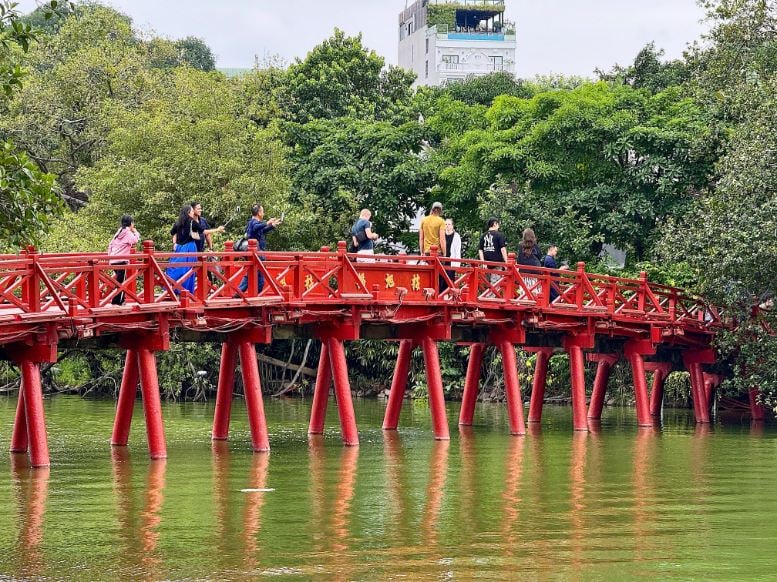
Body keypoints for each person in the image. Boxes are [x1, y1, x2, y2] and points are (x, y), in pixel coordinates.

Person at [238, 204, 282, 294]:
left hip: (258, 252)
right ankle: (253, 293)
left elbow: (262, 230)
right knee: (260, 274)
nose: (264, 213)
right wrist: (267, 222)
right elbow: (256, 227)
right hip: (256, 253)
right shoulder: (253, 222)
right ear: (259, 213)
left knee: (253, 273)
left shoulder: (256, 222)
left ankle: (240, 292)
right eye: (262, 211)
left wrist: (272, 225)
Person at [165, 204, 201, 295]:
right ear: (189, 212)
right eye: (192, 211)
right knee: (188, 270)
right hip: (190, 247)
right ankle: (185, 292)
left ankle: (174, 287)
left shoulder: (178, 222)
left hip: (180, 247)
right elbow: (203, 231)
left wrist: (175, 243)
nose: (193, 213)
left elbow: (172, 232)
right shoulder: (192, 222)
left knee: (176, 267)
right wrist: (218, 229)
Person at [107, 214, 140, 305]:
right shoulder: (128, 233)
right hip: (121, 261)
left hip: (113, 259)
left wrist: (109, 256)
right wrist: (136, 232)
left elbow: (110, 244)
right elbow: (135, 240)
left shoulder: (119, 231)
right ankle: (118, 302)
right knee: (121, 282)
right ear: (131, 223)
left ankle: (118, 300)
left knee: (119, 281)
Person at [478, 217, 507, 287]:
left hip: (487, 264)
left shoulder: (483, 236)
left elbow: (480, 250)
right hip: (497, 263)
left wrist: (483, 261)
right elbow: (503, 249)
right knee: (495, 285)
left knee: (488, 285)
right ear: (494, 224)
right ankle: (489, 297)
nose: (499, 226)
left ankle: (486, 297)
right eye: (498, 224)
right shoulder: (499, 235)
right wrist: (506, 262)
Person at [441, 218, 462, 291]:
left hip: (451, 261)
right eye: (446, 224)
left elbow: (457, 250)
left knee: (449, 281)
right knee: (440, 281)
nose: (447, 226)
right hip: (442, 261)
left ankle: (447, 299)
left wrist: (457, 264)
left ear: (452, 226)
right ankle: (441, 299)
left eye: (449, 224)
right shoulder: (442, 235)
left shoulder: (456, 236)